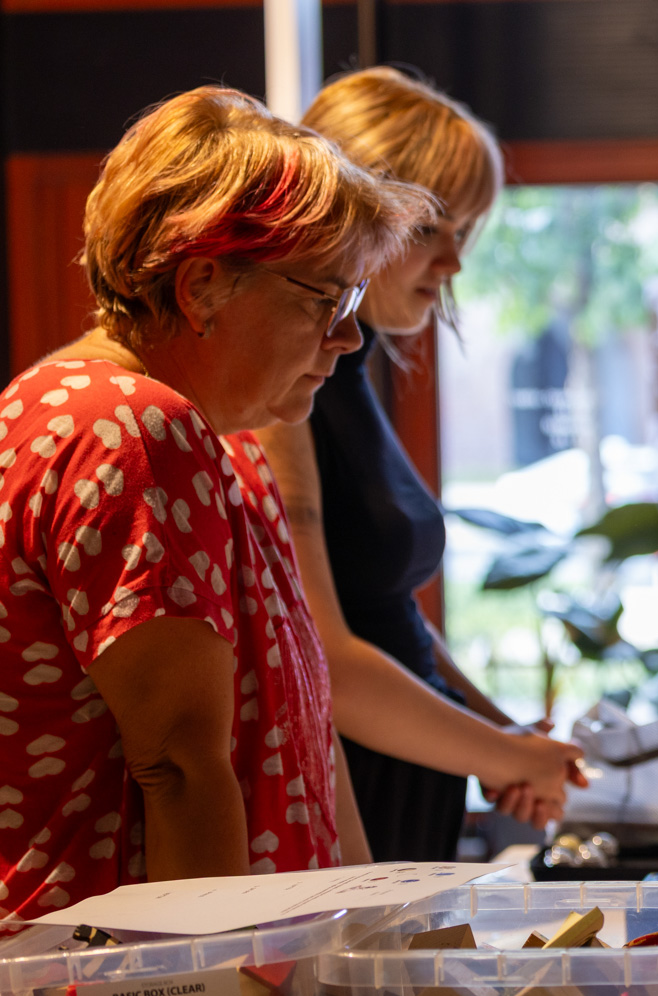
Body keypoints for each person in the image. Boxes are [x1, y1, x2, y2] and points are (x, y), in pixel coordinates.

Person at [0, 86, 432, 922]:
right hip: (120, 988)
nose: (348, 339)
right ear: (203, 286)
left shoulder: (197, 434)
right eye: (326, 300)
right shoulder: (132, 429)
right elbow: (179, 769)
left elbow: (303, 727)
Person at [251, 67, 584, 863]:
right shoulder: (277, 394)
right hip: (351, 806)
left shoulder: (351, 371)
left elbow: (389, 615)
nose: (454, 263)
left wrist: (503, 736)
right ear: (354, 214)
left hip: (406, 796)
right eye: (432, 229)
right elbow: (327, 659)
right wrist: (505, 755)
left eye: (463, 233)